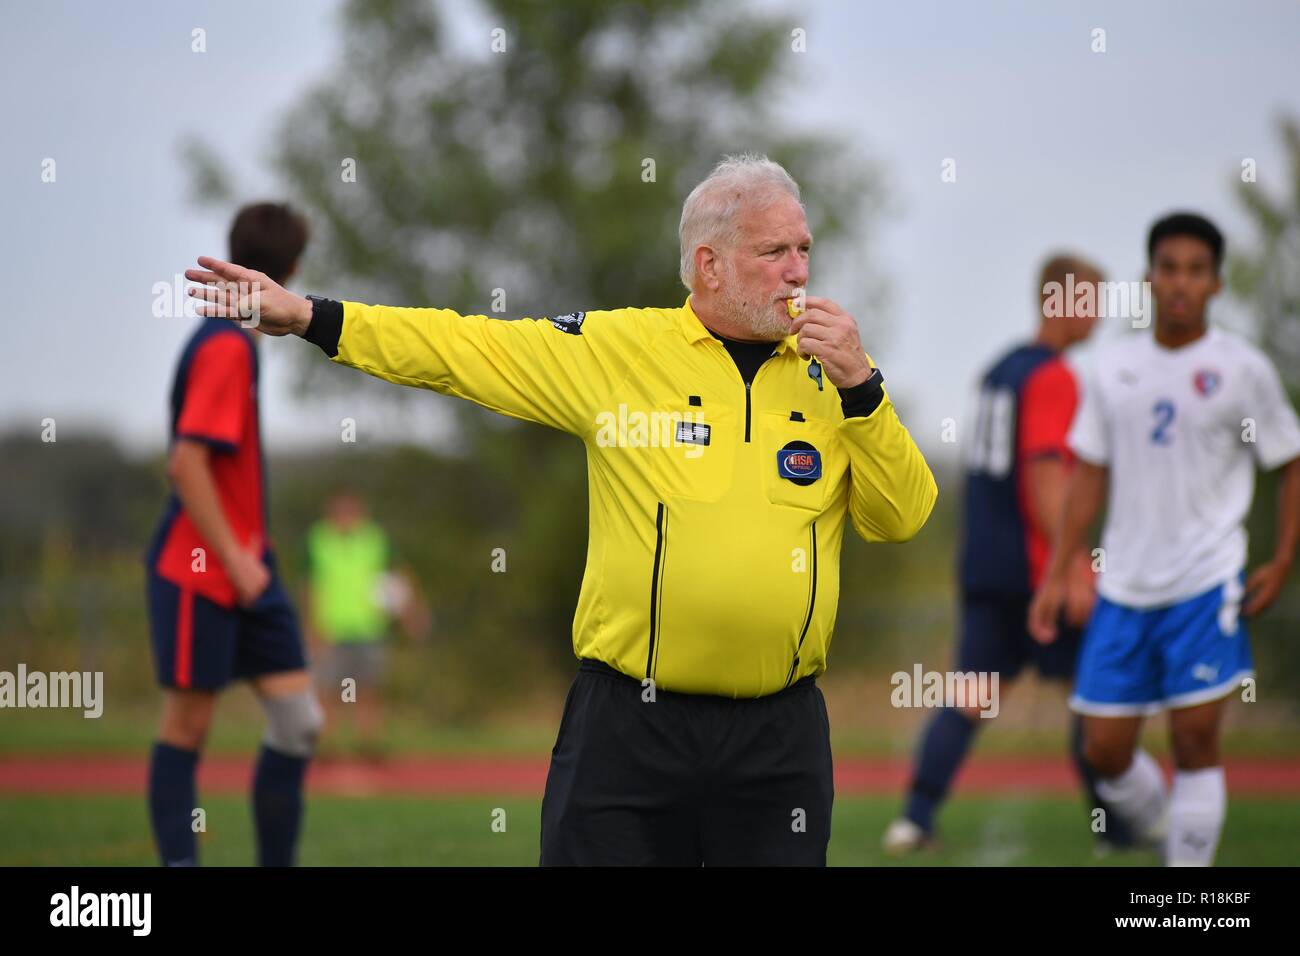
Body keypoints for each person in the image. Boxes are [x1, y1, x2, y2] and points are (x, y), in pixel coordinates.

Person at [185, 154, 938, 866]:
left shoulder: (834, 381)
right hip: (629, 729)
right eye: (776, 251)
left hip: (781, 739)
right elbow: (463, 348)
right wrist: (314, 317)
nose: (800, 271)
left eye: (805, 249)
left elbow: (901, 517)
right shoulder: (620, 351)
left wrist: (864, 390)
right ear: (710, 264)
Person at [1030, 212, 1300, 866]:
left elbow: (1289, 460)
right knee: (1105, 751)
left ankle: (1183, 892)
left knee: (1195, 741)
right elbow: (1088, 475)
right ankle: (1162, 830)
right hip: (1123, 584)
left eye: (1195, 271)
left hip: (1206, 581)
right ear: (1149, 279)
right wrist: (1060, 570)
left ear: (1216, 284)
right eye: (1169, 268)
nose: (1181, 283)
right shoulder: (1113, 367)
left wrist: (1283, 559)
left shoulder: (1243, 369)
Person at [884, 254, 1134, 855]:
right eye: (1091, 301)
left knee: (969, 697)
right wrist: (1073, 566)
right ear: (1062, 302)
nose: (1098, 315)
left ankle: (914, 820)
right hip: (1036, 568)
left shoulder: (999, 371)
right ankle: (1115, 831)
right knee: (1092, 693)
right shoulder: (1053, 376)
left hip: (985, 564)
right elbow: (1045, 476)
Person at [145, 202, 323, 866]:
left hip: (251, 567)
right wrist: (234, 561)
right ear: (295, 267)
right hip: (202, 571)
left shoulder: (240, 338)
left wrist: (253, 561)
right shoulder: (224, 345)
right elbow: (186, 464)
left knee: (299, 724)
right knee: (188, 728)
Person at [305, 490, 402, 757]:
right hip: (332, 627)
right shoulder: (319, 540)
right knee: (328, 688)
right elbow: (311, 586)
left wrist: (408, 610)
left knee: (369, 687)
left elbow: (394, 576)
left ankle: (369, 742)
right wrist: (312, 626)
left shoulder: (375, 539)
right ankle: (327, 743)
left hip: (369, 627)